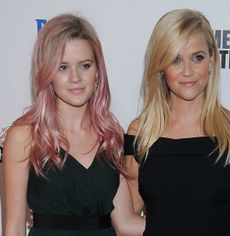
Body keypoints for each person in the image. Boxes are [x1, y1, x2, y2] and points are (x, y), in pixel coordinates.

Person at [2, 13, 145, 236]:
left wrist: (195, 222)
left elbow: (125, 222)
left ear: (98, 72)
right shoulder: (24, 136)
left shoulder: (110, 135)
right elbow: (14, 229)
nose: (75, 78)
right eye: (63, 67)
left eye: (85, 65)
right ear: (47, 73)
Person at [125, 8, 230, 236]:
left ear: (212, 59)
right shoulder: (141, 133)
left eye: (197, 57)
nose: (188, 71)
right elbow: (126, 215)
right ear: (161, 66)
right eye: (175, 60)